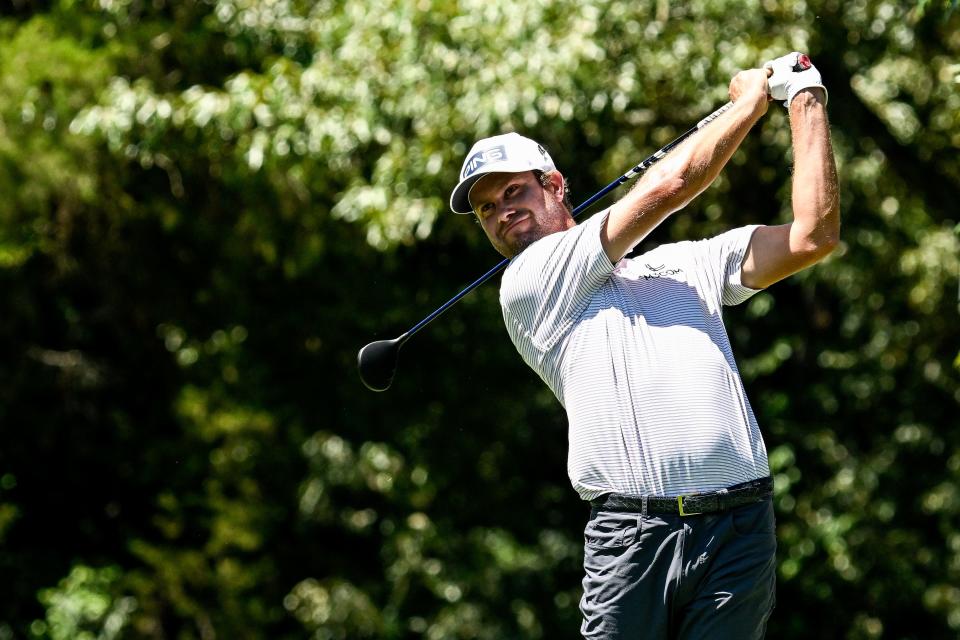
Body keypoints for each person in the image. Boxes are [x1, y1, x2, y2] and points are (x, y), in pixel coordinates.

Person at [447, 53, 839, 639]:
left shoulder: (685, 263)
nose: (503, 213)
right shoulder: (528, 283)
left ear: (554, 185)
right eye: (486, 210)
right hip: (633, 539)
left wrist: (806, 99)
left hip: (739, 531)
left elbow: (813, 236)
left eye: (512, 192)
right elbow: (673, 184)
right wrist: (749, 102)